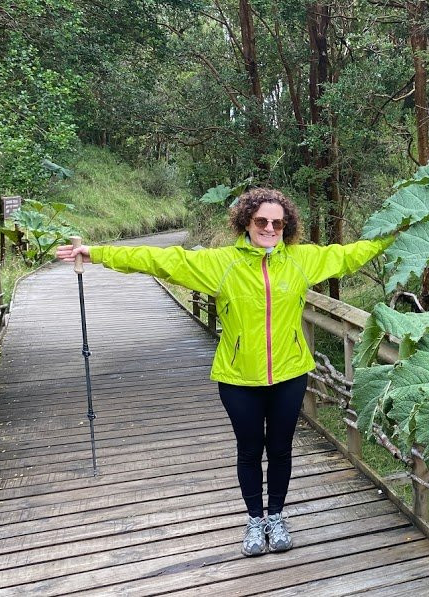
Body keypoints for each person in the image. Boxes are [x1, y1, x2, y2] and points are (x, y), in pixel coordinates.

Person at [56, 187, 392, 557]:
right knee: (249, 450)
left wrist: (399, 231)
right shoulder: (221, 263)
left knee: (279, 449)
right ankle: (254, 520)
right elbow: (158, 260)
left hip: (290, 375)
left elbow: (350, 255)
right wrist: (97, 253)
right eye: (261, 220)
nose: (269, 228)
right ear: (246, 222)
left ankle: (276, 517)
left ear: (286, 226)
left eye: (277, 223)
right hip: (237, 379)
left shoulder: (302, 260)